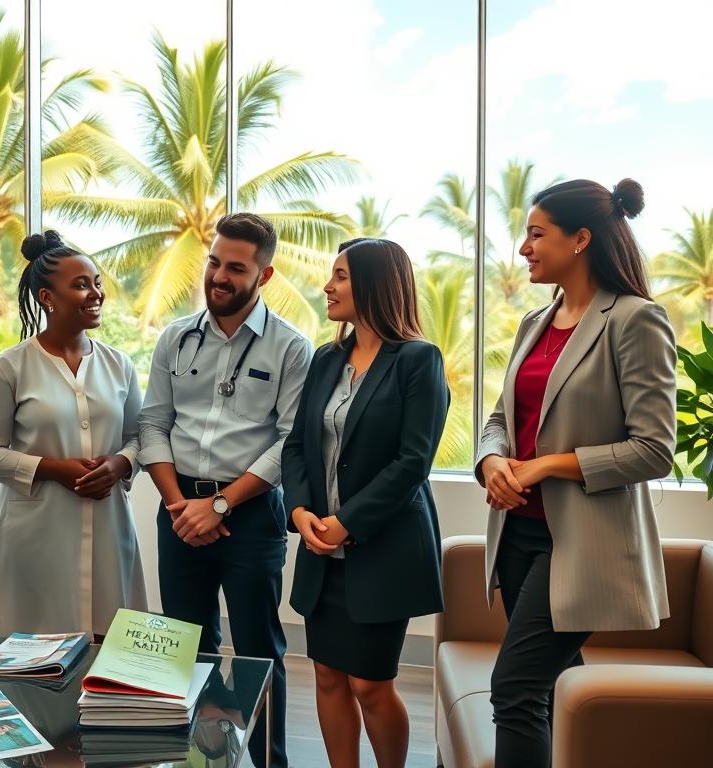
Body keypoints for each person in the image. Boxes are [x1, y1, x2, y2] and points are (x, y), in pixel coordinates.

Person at [476, 178, 677, 768]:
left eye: (537, 234)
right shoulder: (534, 323)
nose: (523, 249)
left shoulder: (636, 320)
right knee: (558, 685)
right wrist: (491, 461)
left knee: (514, 687)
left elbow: (653, 449)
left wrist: (545, 466)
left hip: (582, 544)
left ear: (581, 239)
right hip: (517, 536)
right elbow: (498, 419)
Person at [139, 212, 313, 768]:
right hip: (179, 505)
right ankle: (197, 760)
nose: (218, 275)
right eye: (214, 262)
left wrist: (218, 505)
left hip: (251, 512)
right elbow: (153, 425)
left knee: (261, 648)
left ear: (262, 276)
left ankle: (269, 761)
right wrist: (178, 507)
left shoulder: (290, 348)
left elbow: (290, 443)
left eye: (234, 267)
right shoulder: (175, 337)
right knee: (185, 646)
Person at [281, 238, 449, 768]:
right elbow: (297, 445)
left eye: (340, 276)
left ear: (376, 283)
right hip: (319, 545)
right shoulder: (326, 359)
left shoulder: (418, 361)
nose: (327, 287)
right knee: (328, 675)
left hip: (384, 549)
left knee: (370, 684)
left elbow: (412, 462)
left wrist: (347, 524)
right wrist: (301, 511)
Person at [0, 230, 147, 638]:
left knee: (109, 652)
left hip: (109, 528)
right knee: (33, 654)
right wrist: (53, 469)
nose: (96, 294)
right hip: (35, 539)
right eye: (81, 285)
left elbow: (140, 438)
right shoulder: (10, 367)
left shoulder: (119, 365)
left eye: (97, 283)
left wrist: (120, 463)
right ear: (47, 298)